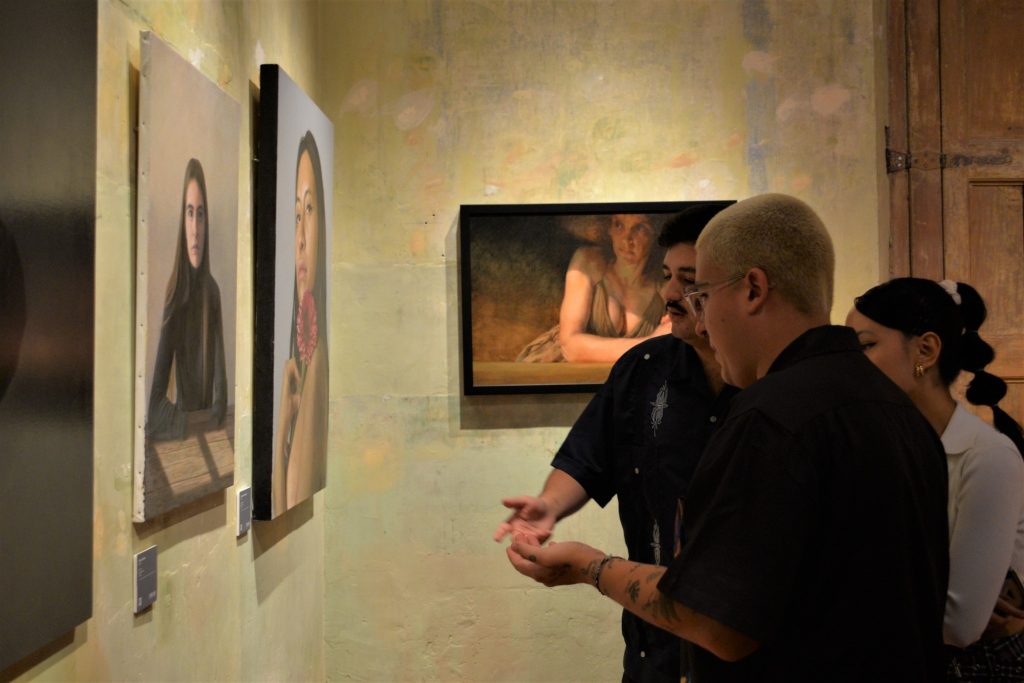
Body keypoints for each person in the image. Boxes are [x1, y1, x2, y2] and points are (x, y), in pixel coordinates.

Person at [506, 193, 950, 681]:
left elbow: (718, 621)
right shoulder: (895, 406)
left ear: (753, 290)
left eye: (702, 294)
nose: (699, 318)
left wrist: (589, 566)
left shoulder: (771, 415)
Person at [496, 203, 736, 682]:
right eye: (666, 276)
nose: (670, 294)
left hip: (745, 648)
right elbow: (590, 455)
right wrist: (548, 505)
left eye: (689, 281)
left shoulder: (778, 386)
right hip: (656, 646)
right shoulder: (643, 367)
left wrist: (589, 567)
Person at [848, 277, 1024, 679]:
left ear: (925, 350)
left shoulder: (987, 456)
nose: (852, 365)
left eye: (866, 346)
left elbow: (957, 623)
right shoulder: (878, 446)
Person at [517, 213, 671, 363]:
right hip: (562, 367)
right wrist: (649, 345)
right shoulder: (589, 261)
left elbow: (672, 342)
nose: (626, 239)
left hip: (628, 372)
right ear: (609, 228)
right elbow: (570, 347)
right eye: (618, 225)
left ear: (654, 233)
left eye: (639, 228)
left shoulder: (665, 283)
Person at [147, 158, 227, 441]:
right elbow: (154, 407)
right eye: (189, 213)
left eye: (201, 215)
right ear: (183, 222)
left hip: (211, 437)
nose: (195, 229)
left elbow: (221, 396)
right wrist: (187, 423)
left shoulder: (213, 293)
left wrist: (212, 420)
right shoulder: (176, 294)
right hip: (185, 439)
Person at [272, 131, 329, 516]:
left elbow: (286, 501)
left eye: (309, 210)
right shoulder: (308, 355)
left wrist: (281, 429)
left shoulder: (317, 359)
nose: (301, 240)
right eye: (296, 216)